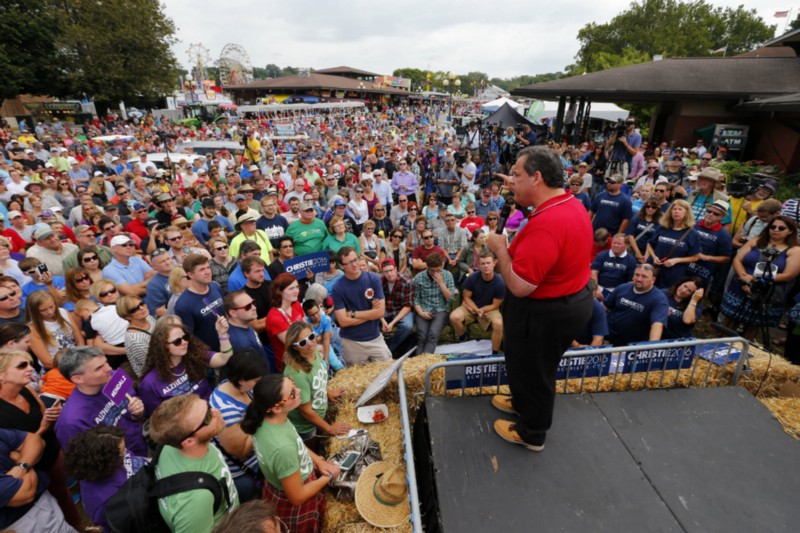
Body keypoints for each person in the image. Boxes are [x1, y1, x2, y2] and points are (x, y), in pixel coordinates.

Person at [487, 146, 594, 452]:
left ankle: (532, 431)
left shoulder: (549, 222)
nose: (511, 182)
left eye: (517, 175)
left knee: (536, 369)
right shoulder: (565, 204)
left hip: (546, 310)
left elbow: (520, 286)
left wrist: (500, 249)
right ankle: (522, 401)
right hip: (558, 302)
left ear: (537, 178)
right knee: (522, 361)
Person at [240, 375, 339, 533]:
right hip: (295, 497)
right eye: (292, 393)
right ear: (277, 407)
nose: (299, 390)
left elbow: (296, 444)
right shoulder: (282, 448)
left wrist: (319, 462)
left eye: (293, 384)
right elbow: (297, 496)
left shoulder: (270, 419)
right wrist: (329, 477)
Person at [0, 350, 83, 530]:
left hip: (51, 451)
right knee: (50, 498)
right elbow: (11, 454)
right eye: (22, 365)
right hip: (28, 470)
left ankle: (78, 526)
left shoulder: (28, 390)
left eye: (30, 364)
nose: (30, 368)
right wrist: (42, 430)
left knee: (63, 494)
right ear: (2, 375)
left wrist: (53, 417)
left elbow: (44, 416)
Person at [149, 394, 240, 532]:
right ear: (189, 442)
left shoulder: (170, 445)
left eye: (208, 406)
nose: (216, 411)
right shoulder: (194, 502)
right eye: (208, 417)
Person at [54, 346, 147, 457]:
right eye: (99, 368)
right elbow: (85, 461)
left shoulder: (111, 377)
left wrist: (136, 413)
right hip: (118, 467)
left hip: (141, 446)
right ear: (78, 379)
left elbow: (134, 410)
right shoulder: (71, 421)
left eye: (106, 362)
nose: (108, 368)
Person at [721, 216, 800, 339]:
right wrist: (744, 278)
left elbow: (789, 275)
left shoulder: (794, 250)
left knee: (752, 327)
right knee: (729, 322)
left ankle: (742, 353)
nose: (776, 230)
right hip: (741, 286)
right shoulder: (757, 241)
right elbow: (738, 259)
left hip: (767, 293)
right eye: (773, 227)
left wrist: (754, 280)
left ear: (790, 231)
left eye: (781, 228)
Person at [139, 319, 233, 417]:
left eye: (185, 337)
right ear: (163, 347)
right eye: (177, 341)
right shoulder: (149, 383)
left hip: (214, 412)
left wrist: (222, 334)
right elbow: (158, 418)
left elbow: (225, 358)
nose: (184, 342)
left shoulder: (194, 356)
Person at [209, 350, 270, 503]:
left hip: (257, 464)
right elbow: (241, 451)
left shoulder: (236, 386)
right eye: (256, 381)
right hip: (245, 476)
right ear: (241, 380)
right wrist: (263, 417)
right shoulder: (225, 410)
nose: (259, 384)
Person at [63, 426, 147, 532]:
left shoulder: (115, 454)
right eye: (121, 452)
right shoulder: (104, 501)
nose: (125, 452)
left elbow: (137, 460)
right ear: (104, 462)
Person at [282, 322, 349, 451]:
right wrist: (329, 428)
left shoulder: (314, 353)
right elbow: (305, 410)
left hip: (318, 419)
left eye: (311, 337)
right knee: (315, 453)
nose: (310, 343)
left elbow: (315, 382)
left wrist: (327, 393)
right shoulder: (297, 373)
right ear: (294, 347)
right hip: (306, 428)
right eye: (302, 342)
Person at [0, 428, 77, 533]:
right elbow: (25, 493)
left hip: (45, 502)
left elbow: (35, 440)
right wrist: (23, 463)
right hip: (24, 523)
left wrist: (20, 466)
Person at [331, 247, 392, 365]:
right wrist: (371, 313)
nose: (354, 264)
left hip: (375, 338)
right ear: (341, 266)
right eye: (349, 263)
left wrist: (353, 314)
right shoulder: (338, 287)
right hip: (351, 342)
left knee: (388, 373)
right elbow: (343, 322)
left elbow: (380, 312)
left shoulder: (373, 278)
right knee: (358, 382)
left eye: (355, 260)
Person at [449, 251, 506, 353]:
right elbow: (467, 297)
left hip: (489, 308)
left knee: (499, 323)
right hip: (471, 306)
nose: (486, 266)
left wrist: (481, 311)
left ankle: (495, 352)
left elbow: (495, 304)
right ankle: (463, 338)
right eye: (483, 264)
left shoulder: (500, 282)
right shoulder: (473, 277)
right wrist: (475, 310)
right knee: (454, 317)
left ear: (494, 263)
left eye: (488, 263)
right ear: (478, 265)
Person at [605, 264, 669, 346]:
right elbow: (605, 307)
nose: (639, 279)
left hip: (634, 347)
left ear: (653, 279)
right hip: (610, 340)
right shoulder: (621, 288)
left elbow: (657, 325)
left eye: (644, 276)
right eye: (637, 275)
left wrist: (651, 348)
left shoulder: (659, 299)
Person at [174, 254, 225, 352]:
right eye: (202, 270)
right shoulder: (183, 304)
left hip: (227, 342)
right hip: (209, 353)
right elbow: (190, 337)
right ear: (190, 275)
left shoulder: (215, 286)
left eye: (208, 268)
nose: (208, 272)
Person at [645, 199, 700, 289]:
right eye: (674, 209)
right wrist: (654, 256)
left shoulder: (693, 234)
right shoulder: (662, 227)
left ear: (687, 213)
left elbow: (695, 257)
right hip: (654, 269)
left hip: (673, 274)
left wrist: (676, 260)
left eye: (680, 209)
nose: (676, 212)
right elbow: (650, 244)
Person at [27, 291, 84, 371]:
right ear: (34, 311)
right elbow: (47, 362)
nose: (50, 312)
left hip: (78, 359)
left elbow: (79, 339)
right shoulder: (32, 328)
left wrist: (81, 357)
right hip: (57, 368)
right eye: (43, 310)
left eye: (51, 307)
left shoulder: (63, 312)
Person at [411, 252, 455, 355]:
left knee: (433, 334)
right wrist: (421, 313)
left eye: (438, 270)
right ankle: (418, 362)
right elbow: (415, 299)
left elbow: (450, 299)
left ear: (442, 266)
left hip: (441, 309)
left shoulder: (447, 275)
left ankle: (425, 361)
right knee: (422, 336)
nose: (435, 272)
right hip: (423, 309)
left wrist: (441, 283)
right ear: (427, 267)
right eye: (432, 270)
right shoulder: (419, 277)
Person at [688, 199, 733, 285]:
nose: (711, 214)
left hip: (702, 271)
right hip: (683, 265)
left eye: (716, 214)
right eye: (709, 211)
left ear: (722, 217)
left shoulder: (724, 235)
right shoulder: (693, 224)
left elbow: (726, 258)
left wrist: (704, 257)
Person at [265, 274, 305, 371]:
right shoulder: (275, 317)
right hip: (291, 364)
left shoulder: (296, 304)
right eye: (291, 288)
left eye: (297, 287)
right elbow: (294, 343)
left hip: (305, 352)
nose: (296, 291)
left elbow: (307, 328)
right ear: (280, 292)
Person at [223, 291, 271, 368]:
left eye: (253, 303)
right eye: (248, 306)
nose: (254, 308)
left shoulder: (244, 323)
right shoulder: (240, 343)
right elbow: (253, 372)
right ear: (233, 313)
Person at [379, 258, 414, 356]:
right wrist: (383, 321)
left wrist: (392, 323)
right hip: (384, 310)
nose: (389, 274)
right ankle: (378, 346)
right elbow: (375, 304)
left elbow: (408, 306)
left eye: (391, 270)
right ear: (382, 272)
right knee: (370, 322)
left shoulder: (406, 281)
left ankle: (390, 349)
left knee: (407, 326)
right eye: (386, 271)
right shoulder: (378, 281)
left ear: (396, 269)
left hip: (401, 310)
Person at [117, 295, 156, 377]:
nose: (142, 308)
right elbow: (154, 364)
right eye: (135, 309)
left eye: (142, 303)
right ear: (127, 316)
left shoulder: (148, 318)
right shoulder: (135, 340)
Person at [590, 233, 638, 301]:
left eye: (619, 244)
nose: (616, 246)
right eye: (614, 243)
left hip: (618, 291)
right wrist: (596, 289)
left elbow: (630, 281)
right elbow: (594, 272)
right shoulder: (602, 255)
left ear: (626, 245)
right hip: (599, 288)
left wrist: (622, 294)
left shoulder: (631, 260)